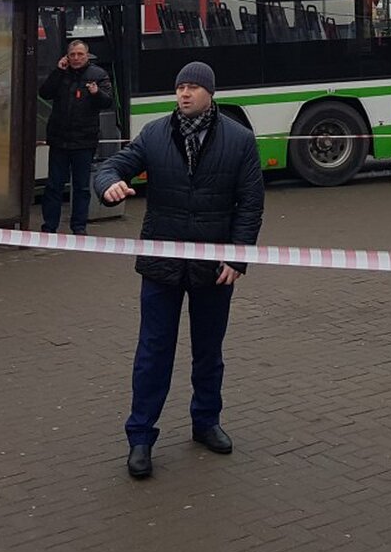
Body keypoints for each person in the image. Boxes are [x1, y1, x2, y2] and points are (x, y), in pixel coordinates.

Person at [94, 60, 264, 481]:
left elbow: (250, 204)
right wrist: (109, 185)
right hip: (161, 265)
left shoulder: (239, 140)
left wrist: (237, 257)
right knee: (153, 352)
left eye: (192, 87)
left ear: (209, 92)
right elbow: (111, 166)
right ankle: (140, 438)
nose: (183, 94)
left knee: (208, 350)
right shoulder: (155, 133)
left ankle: (206, 422)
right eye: (179, 88)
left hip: (213, 267)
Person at [38, 39, 113, 235]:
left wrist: (97, 93)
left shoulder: (98, 75)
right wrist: (58, 71)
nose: (76, 58)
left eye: (80, 54)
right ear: (67, 57)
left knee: (81, 188)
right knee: (54, 186)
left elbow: (107, 102)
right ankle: (49, 227)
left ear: (87, 56)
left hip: (84, 141)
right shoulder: (62, 74)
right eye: (72, 55)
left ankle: (79, 228)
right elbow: (44, 93)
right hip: (59, 140)